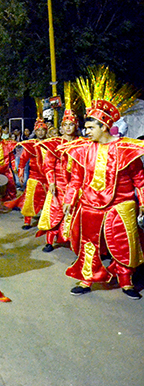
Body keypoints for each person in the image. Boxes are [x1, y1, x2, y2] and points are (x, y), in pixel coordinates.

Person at [61, 66, 144, 299]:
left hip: (121, 204)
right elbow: (76, 179)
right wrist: (69, 200)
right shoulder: (81, 150)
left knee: (125, 244)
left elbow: (140, 179)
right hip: (89, 205)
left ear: (104, 126)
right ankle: (86, 279)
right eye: (85, 127)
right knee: (88, 244)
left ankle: (126, 280)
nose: (85, 131)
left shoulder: (126, 148)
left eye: (90, 127)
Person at [37, 83, 83, 252]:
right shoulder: (54, 143)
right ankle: (50, 241)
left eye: (71, 125)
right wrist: (51, 182)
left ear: (75, 126)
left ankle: (72, 241)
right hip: (58, 184)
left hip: (77, 186)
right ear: (62, 127)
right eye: (65, 125)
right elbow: (48, 165)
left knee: (73, 214)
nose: (68, 128)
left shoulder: (82, 143)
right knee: (55, 213)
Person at [9, 101, 49, 229]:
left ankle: (47, 220)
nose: (41, 133)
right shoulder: (31, 144)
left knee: (49, 200)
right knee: (30, 199)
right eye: (38, 130)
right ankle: (27, 220)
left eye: (43, 130)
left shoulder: (52, 144)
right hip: (34, 176)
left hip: (49, 178)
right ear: (35, 132)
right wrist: (20, 172)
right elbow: (23, 159)